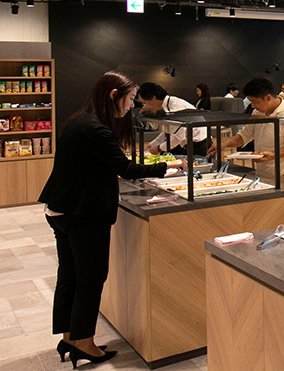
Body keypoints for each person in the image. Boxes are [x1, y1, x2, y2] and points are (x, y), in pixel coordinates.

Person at [40, 72, 184, 366]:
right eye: (130, 99)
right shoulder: (96, 129)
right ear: (113, 95)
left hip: (61, 208)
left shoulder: (81, 120)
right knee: (91, 278)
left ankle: (70, 336)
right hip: (83, 213)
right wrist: (171, 166)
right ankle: (85, 343)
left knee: (70, 276)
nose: (132, 105)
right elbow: (126, 168)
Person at [209, 77, 284, 178]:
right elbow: (244, 135)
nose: (252, 106)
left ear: (268, 98)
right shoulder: (258, 112)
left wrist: (273, 156)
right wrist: (225, 144)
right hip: (262, 171)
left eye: (255, 102)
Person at [138, 83, 210, 156]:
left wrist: (159, 148)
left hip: (200, 145)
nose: (145, 106)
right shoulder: (168, 105)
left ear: (153, 98)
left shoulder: (175, 106)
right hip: (190, 145)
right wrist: (151, 145)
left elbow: (178, 136)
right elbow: (167, 132)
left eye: (145, 103)